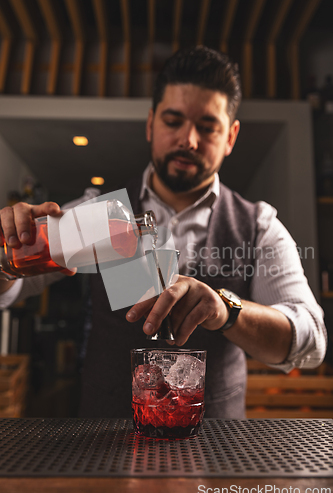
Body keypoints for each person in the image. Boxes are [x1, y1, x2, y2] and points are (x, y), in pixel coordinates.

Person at [0, 46, 327, 418]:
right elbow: (10, 291)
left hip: (215, 453)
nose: (188, 139)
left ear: (231, 136)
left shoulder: (259, 225)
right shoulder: (97, 214)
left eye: (207, 127)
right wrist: (6, 259)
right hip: (101, 448)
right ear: (150, 123)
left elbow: (311, 342)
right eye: (173, 121)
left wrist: (226, 311)